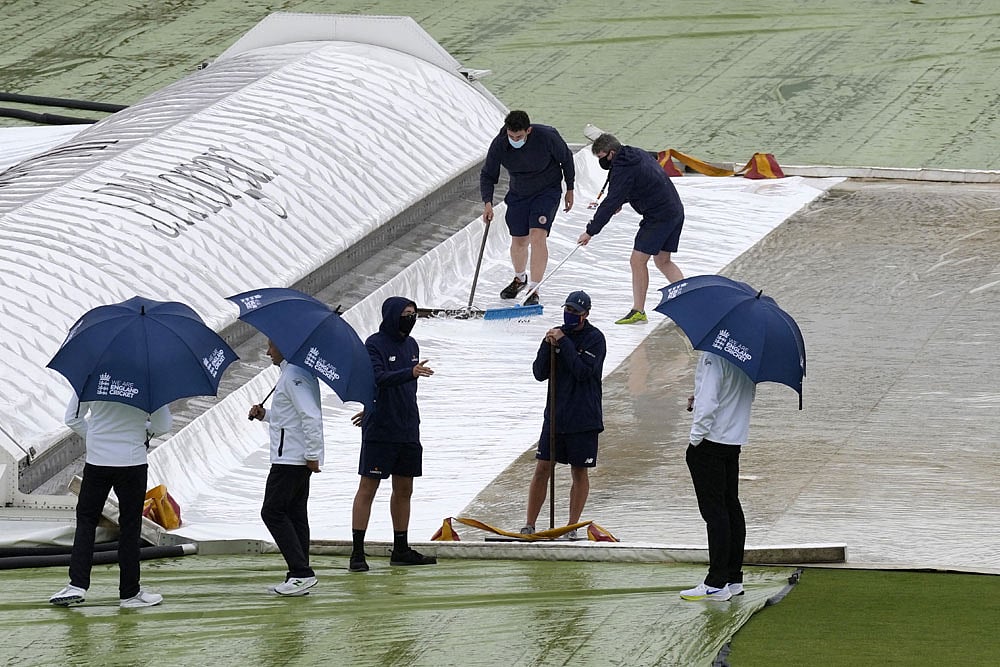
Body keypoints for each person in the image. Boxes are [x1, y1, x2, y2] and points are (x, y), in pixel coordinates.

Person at [48, 396, 171, 608]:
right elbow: (163, 425)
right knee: (130, 526)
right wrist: (142, 433)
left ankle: (77, 585)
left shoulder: (90, 378)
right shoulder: (151, 382)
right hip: (132, 462)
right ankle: (129, 594)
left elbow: (72, 418)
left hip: (97, 462)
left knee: (86, 522)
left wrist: (97, 438)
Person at [349, 297, 437, 572]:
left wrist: (407, 379)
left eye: (413, 314)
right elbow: (377, 378)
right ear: (391, 315)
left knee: (404, 489)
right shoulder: (374, 344)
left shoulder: (412, 345)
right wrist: (408, 373)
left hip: (408, 427)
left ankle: (401, 549)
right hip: (381, 430)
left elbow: (405, 389)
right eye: (406, 314)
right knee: (368, 487)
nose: (411, 318)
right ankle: (357, 552)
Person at [521, 290, 606, 538]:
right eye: (567, 309)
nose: (569, 314)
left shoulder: (595, 339)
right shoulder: (556, 335)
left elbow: (582, 372)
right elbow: (539, 373)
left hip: (584, 418)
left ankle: (571, 527)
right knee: (542, 468)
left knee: (579, 471)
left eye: (575, 311)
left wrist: (565, 344)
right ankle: (529, 524)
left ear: (585, 314)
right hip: (556, 416)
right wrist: (547, 347)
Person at [577, 132, 685, 325]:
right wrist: (623, 199)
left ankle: (638, 311)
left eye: (601, 157)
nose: (601, 162)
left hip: (658, 216)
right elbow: (641, 181)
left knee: (637, 260)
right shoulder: (635, 153)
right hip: (674, 209)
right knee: (663, 261)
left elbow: (610, 202)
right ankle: (688, 300)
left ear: (611, 153)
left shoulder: (623, 167)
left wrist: (590, 231)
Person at [247, 339, 324, 597]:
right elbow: (288, 417)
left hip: (291, 459)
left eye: (271, 346)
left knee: (272, 512)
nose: (268, 352)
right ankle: (299, 574)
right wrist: (265, 415)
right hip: (293, 456)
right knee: (295, 513)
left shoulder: (293, 375)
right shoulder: (293, 373)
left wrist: (312, 454)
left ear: (285, 346)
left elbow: (310, 416)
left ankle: (301, 572)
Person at [679, 351, 756, 602]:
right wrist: (699, 398)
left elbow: (710, 402)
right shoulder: (746, 353)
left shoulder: (714, 355)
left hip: (710, 441)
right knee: (730, 506)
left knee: (715, 512)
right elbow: (742, 395)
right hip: (733, 439)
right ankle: (733, 578)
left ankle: (716, 582)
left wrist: (695, 439)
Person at [481, 109, 575, 306]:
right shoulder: (500, 143)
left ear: (528, 131)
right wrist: (487, 202)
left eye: (519, 137)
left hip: (547, 191)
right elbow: (488, 174)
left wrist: (570, 188)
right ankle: (520, 278)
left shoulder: (547, 136)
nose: (515, 140)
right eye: (511, 136)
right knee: (519, 240)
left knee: (538, 235)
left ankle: (534, 287)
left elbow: (566, 158)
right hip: (519, 193)